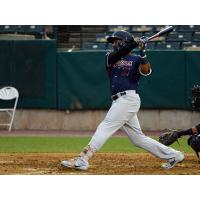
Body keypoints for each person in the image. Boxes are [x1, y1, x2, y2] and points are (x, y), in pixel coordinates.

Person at [61, 30, 184, 170]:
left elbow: (146, 71)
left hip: (129, 99)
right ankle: (174, 155)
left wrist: (143, 51)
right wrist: (134, 44)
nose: (113, 43)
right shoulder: (110, 57)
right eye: (112, 41)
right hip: (119, 101)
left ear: (124, 41)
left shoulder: (136, 59)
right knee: (138, 139)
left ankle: (83, 158)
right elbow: (121, 51)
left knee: (106, 126)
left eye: (116, 40)